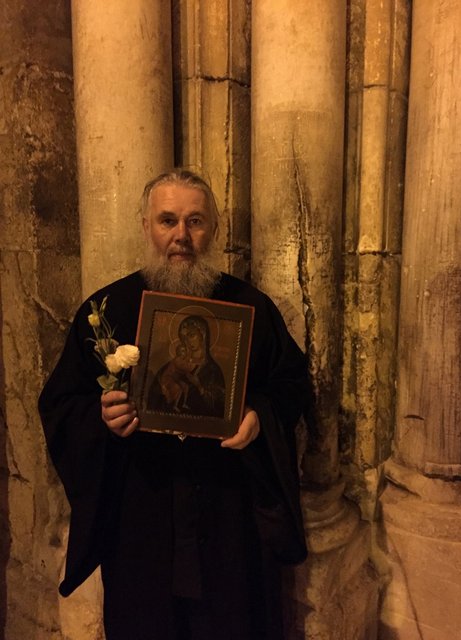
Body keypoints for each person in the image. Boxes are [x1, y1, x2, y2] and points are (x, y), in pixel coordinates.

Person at [39, 169, 308, 640]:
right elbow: (61, 404)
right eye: (168, 220)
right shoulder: (105, 310)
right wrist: (102, 418)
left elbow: (291, 384)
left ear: (214, 230)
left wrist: (258, 417)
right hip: (141, 522)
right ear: (146, 226)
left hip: (229, 519)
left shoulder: (251, 308)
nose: (181, 235)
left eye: (195, 221)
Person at [147, 315, 226, 417]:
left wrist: (199, 387)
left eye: (192, 335)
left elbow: (218, 406)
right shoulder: (174, 363)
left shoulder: (212, 370)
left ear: (203, 335)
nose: (188, 341)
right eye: (184, 337)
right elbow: (154, 398)